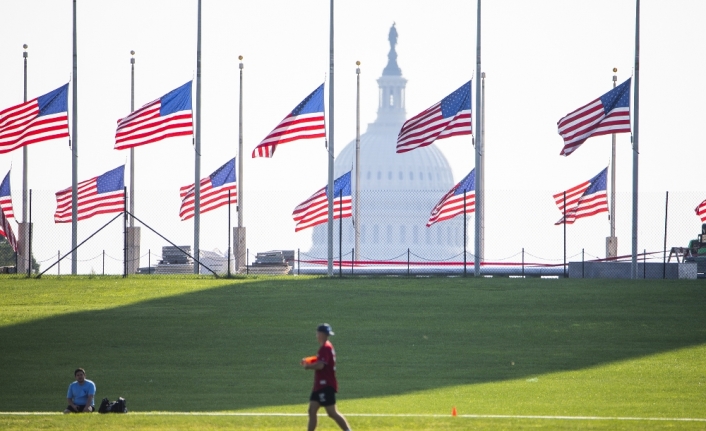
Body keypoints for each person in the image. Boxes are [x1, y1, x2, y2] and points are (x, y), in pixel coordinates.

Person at [301, 323, 352, 431]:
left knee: (332, 412)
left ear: (320, 334)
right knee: (312, 410)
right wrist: (309, 360)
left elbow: (321, 365)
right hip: (319, 386)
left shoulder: (325, 348)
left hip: (326, 385)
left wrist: (307, 366)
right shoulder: (326, 347)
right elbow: (320, 359)